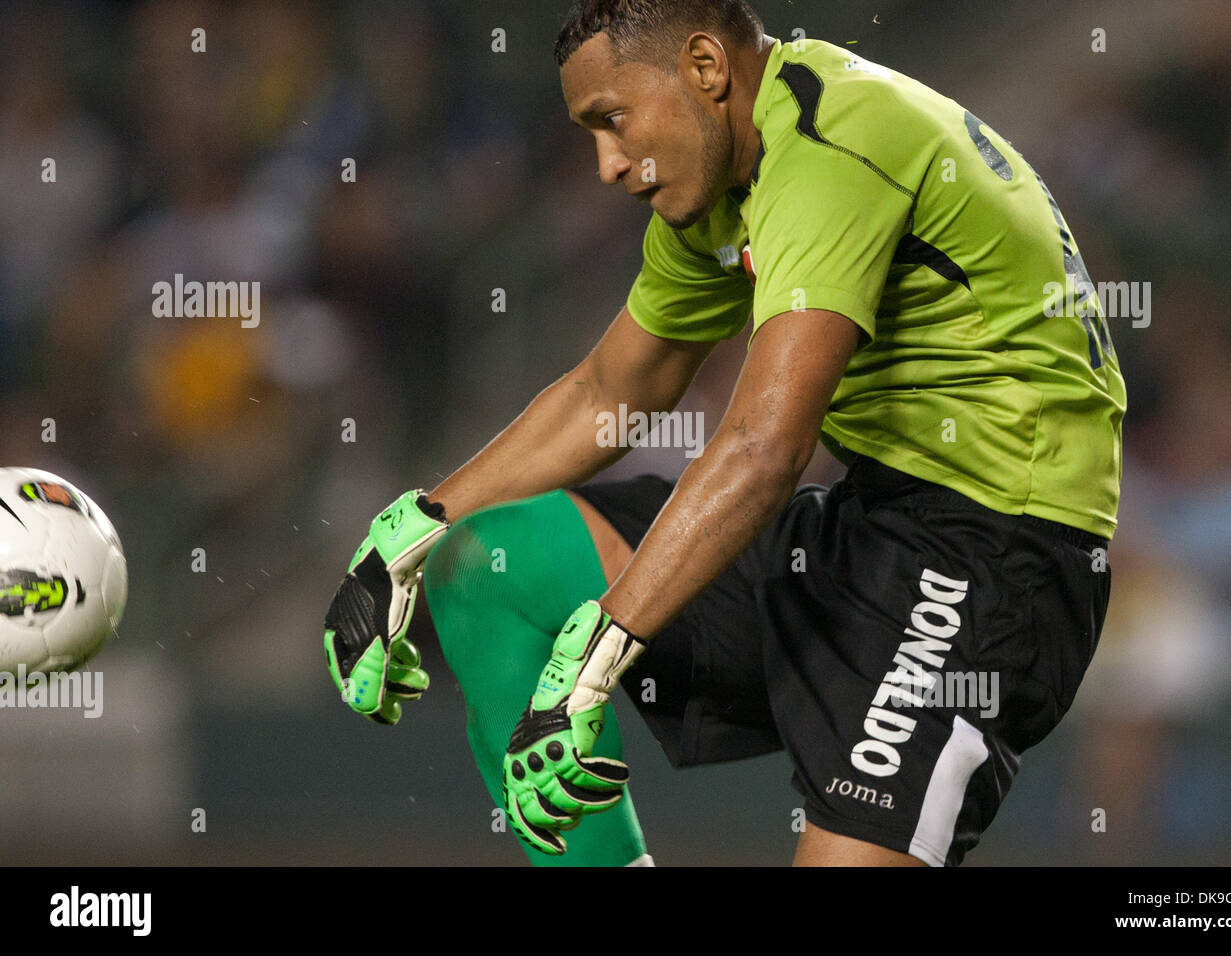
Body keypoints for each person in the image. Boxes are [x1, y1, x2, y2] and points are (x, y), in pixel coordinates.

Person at [323, 0, 1126, 868]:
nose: (606, 164)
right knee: (486, 569)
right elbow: (613, 388)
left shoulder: (832, 147)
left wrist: (591, 660)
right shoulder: (724, 181)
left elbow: (763, 448)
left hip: (994, 561)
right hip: (868, 524)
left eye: (613, 120)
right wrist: (405, 533)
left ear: (705, 69)